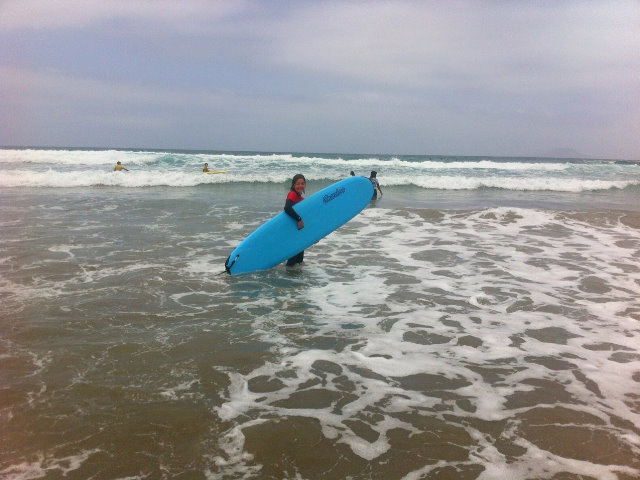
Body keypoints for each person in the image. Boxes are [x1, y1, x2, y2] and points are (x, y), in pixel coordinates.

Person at [284, 173, 306, 266]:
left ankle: (294, 279)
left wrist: (313, 235)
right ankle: (289, 277)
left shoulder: (301, 199)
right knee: (293, 260)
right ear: (293, 185)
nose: (300, 186)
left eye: (302, 183)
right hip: (292, 231)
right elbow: (287, 208)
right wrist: (299, 219)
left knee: (299, 260)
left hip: (298, 232)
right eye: (298, 183)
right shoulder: (292, 194)